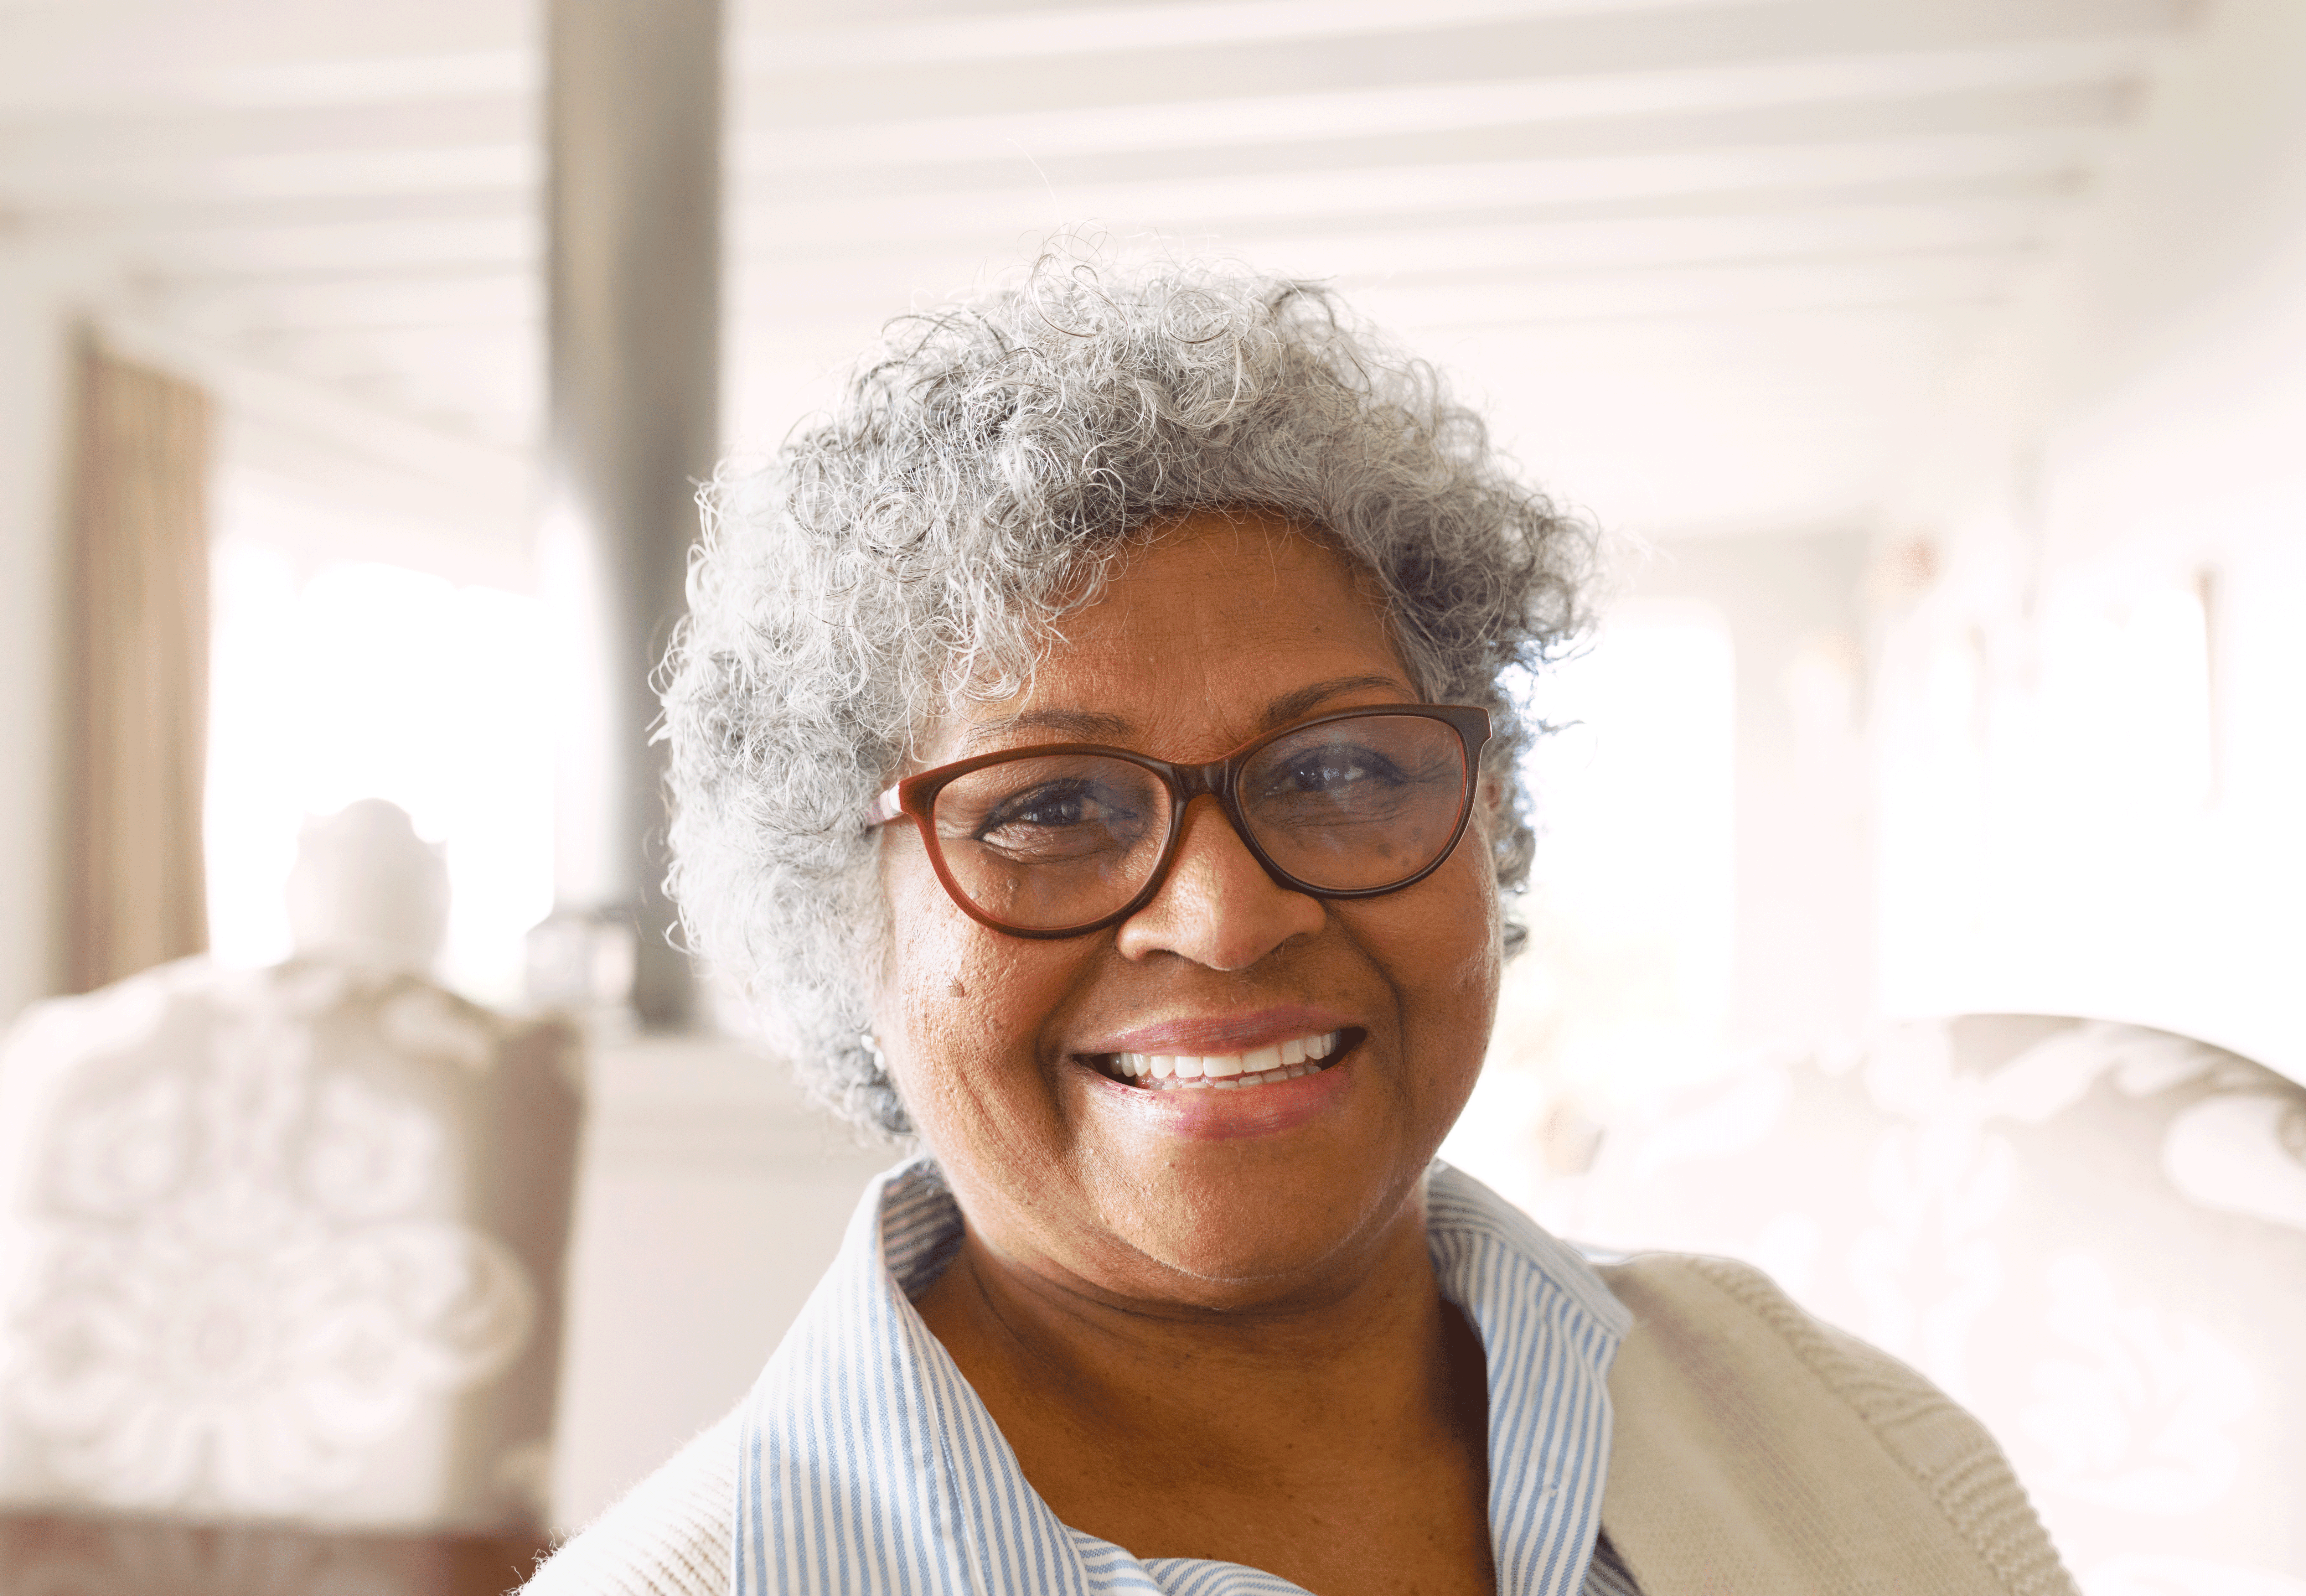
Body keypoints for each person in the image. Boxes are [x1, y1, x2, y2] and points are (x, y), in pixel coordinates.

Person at [523, 251, 2075, 1596]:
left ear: (1486, 820)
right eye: (1050, 806)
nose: (1229, 913)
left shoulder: (1843, 1433)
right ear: (838, 920)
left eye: (1337, 768)